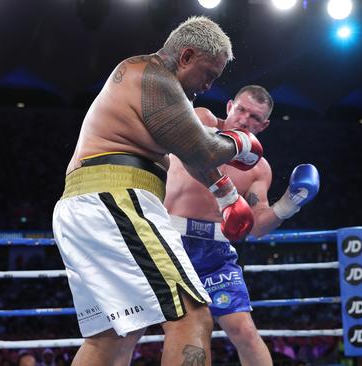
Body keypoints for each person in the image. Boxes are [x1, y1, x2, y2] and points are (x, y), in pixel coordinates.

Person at [52, 16, 265, 366]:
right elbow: (205, 149)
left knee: (113, 337)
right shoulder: (153, 75)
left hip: (87, 203)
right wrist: (242, 141)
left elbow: (190, 153)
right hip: (117, 197)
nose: (208, 86)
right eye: (208, 74)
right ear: (186, 56)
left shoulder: (151, 87)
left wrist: (225, 194)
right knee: (192, 315)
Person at [164, 85, 320, 366]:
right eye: (241, 110)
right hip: (170, 243)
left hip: (216, 253)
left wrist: (289, 203)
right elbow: (187, 147)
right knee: (190, 327)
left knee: (244, 331)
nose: (246, 119)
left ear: (265, 125)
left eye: (255, 117)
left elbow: (257, 226)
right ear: (229, 107)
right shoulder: (201, 121)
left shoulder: (260, 169)